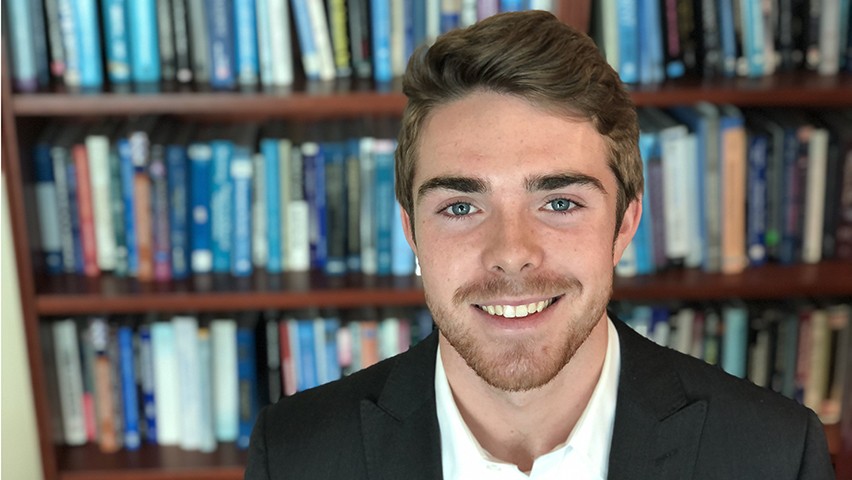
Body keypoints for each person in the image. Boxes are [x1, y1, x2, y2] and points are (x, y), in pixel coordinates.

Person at [245, 10, 833, 479]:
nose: (512, 251)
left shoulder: (774, 455)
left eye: (559, 203)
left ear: (624, 226)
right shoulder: (295, 454)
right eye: (460, 207)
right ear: (411, 233)